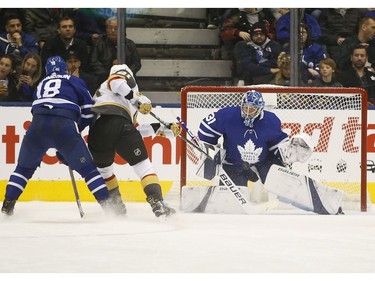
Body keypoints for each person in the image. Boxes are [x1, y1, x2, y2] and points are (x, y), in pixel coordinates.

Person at [1, 56, 119, 216]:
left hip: (37, 126)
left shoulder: (41, 83)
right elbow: (89, 110)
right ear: (65, 69)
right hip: (64, 126)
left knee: (23, 169)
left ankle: (7, 207)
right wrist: (73, 138)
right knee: (89, 171)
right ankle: (109, 209)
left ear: (47, 71)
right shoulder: (74, 80)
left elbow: (36, 109)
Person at [196, 90, 344, 215]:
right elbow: (205, 129)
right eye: (245, 108)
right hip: (233, 163)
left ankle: (325, 204)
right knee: (230, 204)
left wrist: (286, 152)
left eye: (252, 109)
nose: (248, 112)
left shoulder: (271, 121)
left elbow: (276, 145)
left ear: (260, 109)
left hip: (263, 162)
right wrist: (210, 148)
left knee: (283, 180)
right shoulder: (227, 115)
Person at [87, 64, 180, 218]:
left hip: (98, 131)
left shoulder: (111, 95)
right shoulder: (116, 81)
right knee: (144, 167)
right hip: (119, 123)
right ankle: (157, 202)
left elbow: (135, 129)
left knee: (105, 171)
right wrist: (136, 99)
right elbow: (117, 82)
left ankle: (116, 207)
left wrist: (164, 128)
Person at [89, 17, 141, 88]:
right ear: (106, 29)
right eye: (110, 28)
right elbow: (93, 62)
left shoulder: (130, 44)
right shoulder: (98, 43)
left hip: (126, 79)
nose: (112, 31)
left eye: (116, 28)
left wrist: (124, 74)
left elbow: (136, 63)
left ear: (121, 30)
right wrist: (111, 75)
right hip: (104, 80)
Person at [233, 21, 283, 86]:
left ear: (266, 35)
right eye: (256, 34)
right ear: (251, 36)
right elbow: (247, 66)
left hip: (272, 77)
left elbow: (277, 62)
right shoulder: (245, 46)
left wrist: (258, 65)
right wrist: (269, 70)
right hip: (251, 78)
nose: (259, 36)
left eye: (261, 34)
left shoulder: (274, 45)